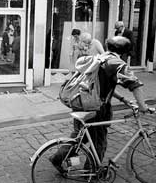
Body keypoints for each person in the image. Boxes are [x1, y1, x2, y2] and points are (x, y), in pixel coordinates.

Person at [49, 36, 154, 174]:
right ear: (124, 52)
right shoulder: (117, 63)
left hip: (81, 102)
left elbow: (102, 86)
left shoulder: (98, 58)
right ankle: (92, 171)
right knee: (99, 142)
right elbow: (135, 85)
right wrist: (143, 107)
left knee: (79, 136)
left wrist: (123, 99)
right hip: (96, 109)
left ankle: (58, 158)